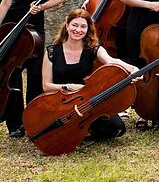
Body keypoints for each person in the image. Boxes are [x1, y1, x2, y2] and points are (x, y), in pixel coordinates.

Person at [40, 9, 138, 142]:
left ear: (88, 29)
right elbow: (46, 86)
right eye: (75, 25)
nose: (78, 30)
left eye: (83, 26)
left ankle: (78, 133)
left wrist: (133, 70)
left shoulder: (93, 49)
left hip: (85, 102)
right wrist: (69, 87)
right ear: (67, 26)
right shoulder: (52, 51)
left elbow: (112, 61)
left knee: (117, 127)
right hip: (59, 101)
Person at [0, 0, 63, 137]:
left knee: (36, 72)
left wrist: (42, 6)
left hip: (36, 24)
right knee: (13, 73)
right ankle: (15, 124)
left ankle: (33, 119)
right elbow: (6, 2)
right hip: (14, 22)